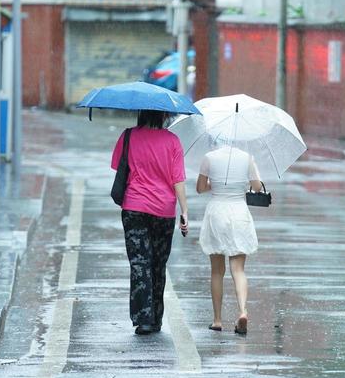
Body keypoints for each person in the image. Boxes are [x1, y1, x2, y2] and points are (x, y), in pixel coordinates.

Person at [111, 109, 188, 335]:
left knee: (139, 262)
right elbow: (178, 180)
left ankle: (143, 318)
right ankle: (155, 319)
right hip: (164, 211)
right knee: (158, 264)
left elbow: (118, 166)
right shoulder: (173, 141)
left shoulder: (128, 136)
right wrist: (185, 210)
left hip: (134, 207)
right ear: (163, 116)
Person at [196, 145, 262, 335]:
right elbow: (257, 187)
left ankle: (217, 320)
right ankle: (242, 311)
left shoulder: (209, 157)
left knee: (217, 271)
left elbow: (200, 188)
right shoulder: (247, 157)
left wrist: (215, 185)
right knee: (238, 269)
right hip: (239, 212)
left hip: (217, 212)